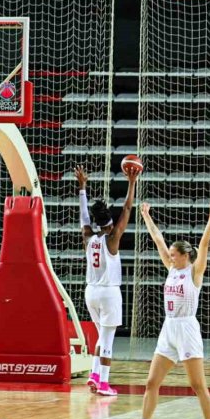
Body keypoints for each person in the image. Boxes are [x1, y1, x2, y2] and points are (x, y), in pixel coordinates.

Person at [118, 201, 210, 419]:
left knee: (197, 385)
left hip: (186, 329)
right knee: (152, 382)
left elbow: (204, 244)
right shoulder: (172, 269)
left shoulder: (194, 272)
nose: (170, 257)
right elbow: (157, 240)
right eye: (171, 255)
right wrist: (146, 216)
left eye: (175, 255)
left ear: (186, 256)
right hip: (168, 328)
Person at [75, 164, 138, 397]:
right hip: (109, 292)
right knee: (108, 339)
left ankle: (94, 375)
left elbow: (83, 217)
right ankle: (103, 383)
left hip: (90, 292)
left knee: (101, 335)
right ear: (109, 222)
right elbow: (128, 208)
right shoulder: (112, 239)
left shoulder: (88, 237)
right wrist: (132, 183)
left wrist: (82, 188)